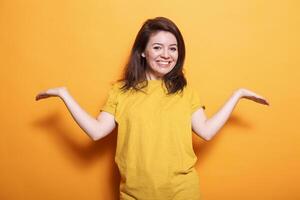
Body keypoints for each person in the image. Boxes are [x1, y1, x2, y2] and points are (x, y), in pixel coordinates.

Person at [36, 17, 269, 200]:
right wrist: (64, 95)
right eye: (158, 47)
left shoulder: (184, 91)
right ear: (143, 52)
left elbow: (206, 131)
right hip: (135, 195)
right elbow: (97, 132)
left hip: (182, 193)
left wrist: (237, 95)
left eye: (173, 49)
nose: (166, 55)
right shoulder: (121, 92)